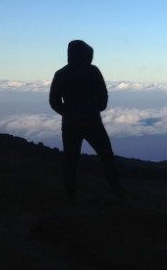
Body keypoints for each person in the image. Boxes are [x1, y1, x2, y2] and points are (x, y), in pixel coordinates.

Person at [49, 40, 123, 198]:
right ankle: (118, 194)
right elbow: (103, 98)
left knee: (71, 161)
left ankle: (71, 198)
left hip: (70, 124)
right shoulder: (93, 71)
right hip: (92, 121)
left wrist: (68, 113)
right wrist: (94, 108)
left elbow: (54, 102)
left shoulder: (61, 74)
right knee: (107, 157)